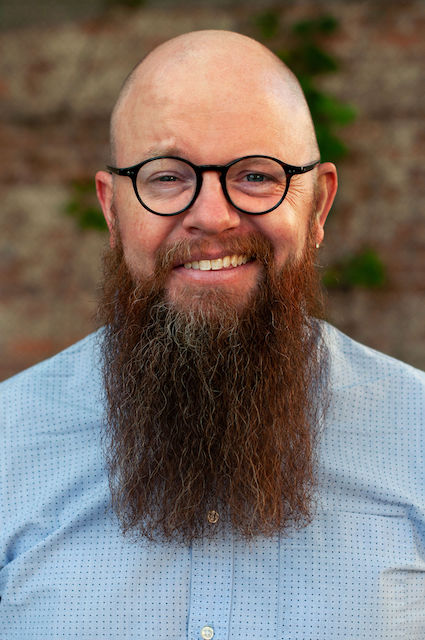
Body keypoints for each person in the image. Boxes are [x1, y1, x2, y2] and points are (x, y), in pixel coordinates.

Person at [1, 30, 424, 640]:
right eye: (167, 176)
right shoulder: (7, 447)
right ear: (113, 211)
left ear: (319, 208)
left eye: (256, 175)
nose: (213, 214)